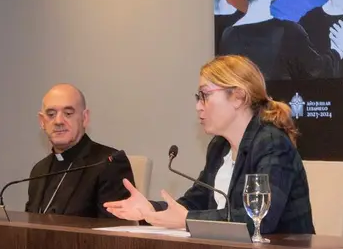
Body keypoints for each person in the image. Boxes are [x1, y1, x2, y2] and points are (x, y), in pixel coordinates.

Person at [103, 55, 315, 235]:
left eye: (205, 96)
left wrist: (187, 220)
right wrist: (150, 209)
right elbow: (196, 203)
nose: (198, 106)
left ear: (238, 97)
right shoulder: (219, 146)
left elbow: (260, 220)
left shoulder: (271, 144)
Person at [26, 84, 134, 218]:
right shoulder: (39, 170)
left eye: (68, 113)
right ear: (42, 121)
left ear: (85, 118)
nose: (58, 121)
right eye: (51, 114)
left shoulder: (109, 163)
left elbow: (114, 232)